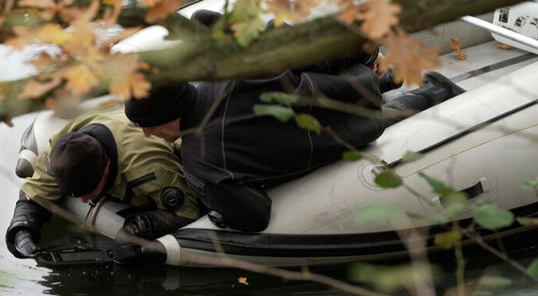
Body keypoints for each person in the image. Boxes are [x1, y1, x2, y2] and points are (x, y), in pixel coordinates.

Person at [124, 12, 463, 231]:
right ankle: (389, 80)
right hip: (351, 90)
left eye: (150, 125)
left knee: (364, 122)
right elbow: (308, 44)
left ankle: (428, 90)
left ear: (170, 115)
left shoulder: (202, 160)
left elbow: (254, 217)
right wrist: (368, 56)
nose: (149, 134)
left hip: (352, 133)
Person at [6, 108, 201, 261]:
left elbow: (187, 211)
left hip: (161, 147)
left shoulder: (150, 168)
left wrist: (139, 227)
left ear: (107, 166)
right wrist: (22, 230)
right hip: (113, 122)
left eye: (88, 191)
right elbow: (35, 192)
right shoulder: (63, 148)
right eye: (77, 194)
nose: (83, 200)